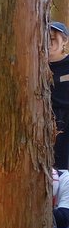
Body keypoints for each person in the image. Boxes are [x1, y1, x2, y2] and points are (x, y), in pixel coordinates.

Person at [49, 21, 69, 170]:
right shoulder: (35, 64)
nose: (48, 43)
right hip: (43, 122)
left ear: (65, 41)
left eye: (52, 38)